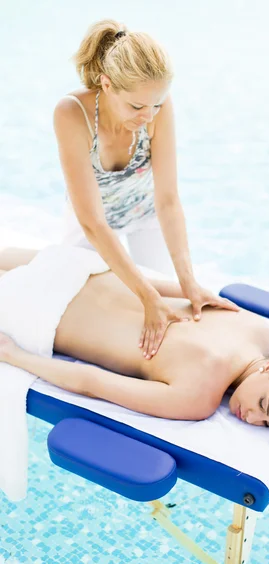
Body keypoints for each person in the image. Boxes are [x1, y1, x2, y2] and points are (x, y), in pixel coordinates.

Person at [54, 19, 238, 359]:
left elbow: (168, 201)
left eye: (156, 104)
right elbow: (93, 222)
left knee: (174, 305)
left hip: (144, 214)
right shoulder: (72, 113)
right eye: (137, 107)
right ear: (107, 85)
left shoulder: (158, 108)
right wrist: (146, 295)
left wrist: (189, 283)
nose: (148, 116)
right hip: (92, 222)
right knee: (75, 307)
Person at [0, 247, 269, 432]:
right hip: (38, 311)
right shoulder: (197, 399)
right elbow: (90, 382)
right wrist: (14, 355)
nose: (252, 417)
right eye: (263, 406)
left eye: (266, 425)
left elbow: (182, 293)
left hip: (84, 267)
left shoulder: (261, 332)